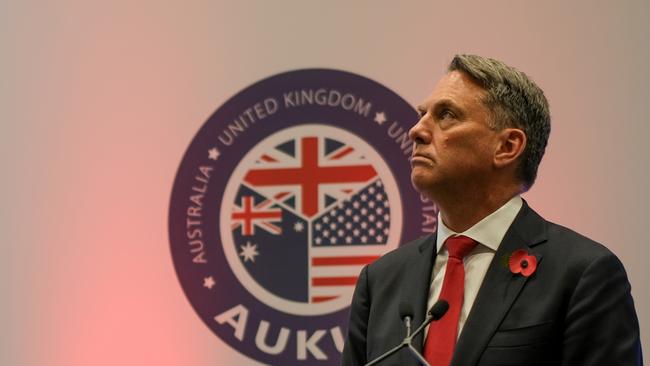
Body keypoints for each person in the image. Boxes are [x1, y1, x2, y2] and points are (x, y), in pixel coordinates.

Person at [341, 54, 642, 366]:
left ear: (507, 147)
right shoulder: (380, 281)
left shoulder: (582, 274)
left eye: (446, 115)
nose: (416, 130)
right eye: (422, 114)